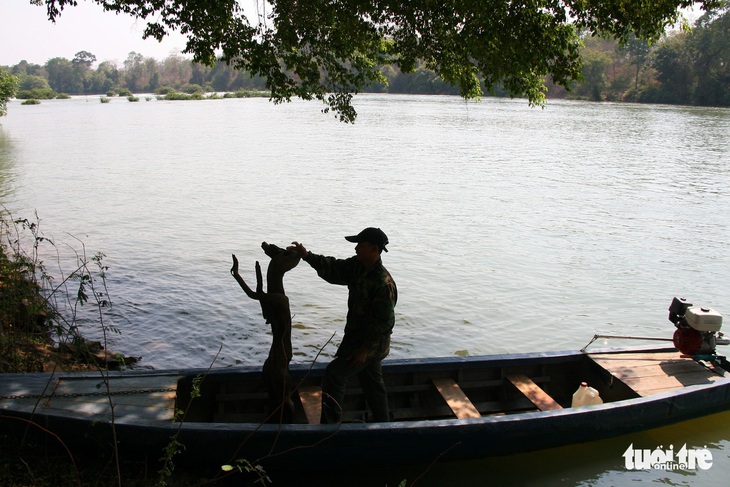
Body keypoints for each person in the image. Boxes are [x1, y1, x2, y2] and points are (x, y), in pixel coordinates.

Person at [289, 227, 397, 423]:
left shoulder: (382, 282)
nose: (356, 248)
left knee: (334, 374)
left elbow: (386, 323)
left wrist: (364, 349)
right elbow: (334, 267)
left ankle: (330, 426)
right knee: (372, 382)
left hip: (371, 344)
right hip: (358, 339)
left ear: (374, 249)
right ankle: (383, 424)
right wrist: (306, 255)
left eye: (360, 245)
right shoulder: (358, 266)